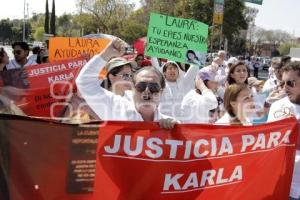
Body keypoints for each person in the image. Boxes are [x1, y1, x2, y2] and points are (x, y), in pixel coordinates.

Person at [76, 39, 177, 129]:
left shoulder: (170, 125)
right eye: (141, 86)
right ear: (133, 89)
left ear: (161, 92)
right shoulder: (116, 107)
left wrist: (177, 130)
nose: (147, 90)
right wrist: (106, 54)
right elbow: (84, 83)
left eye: (153, 87)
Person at [267, 61, 300, 200]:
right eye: (283, 83)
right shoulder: (276, 107)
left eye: (290, 83)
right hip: (283, 182)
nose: (285, 88)